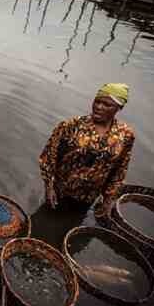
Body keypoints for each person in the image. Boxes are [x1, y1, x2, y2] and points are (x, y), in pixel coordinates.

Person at [39, 83, 135, 216]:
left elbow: (120, 168)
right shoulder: (72, 125)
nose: (99, 107)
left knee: (73, 223)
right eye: (97, 101)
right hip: (61, 190)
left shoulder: (125, 135)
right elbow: (49, 156)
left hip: (88, 197)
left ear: (119, 108)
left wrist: (108, 198)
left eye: (107, 105)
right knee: (46, 220)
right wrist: (49, 187)